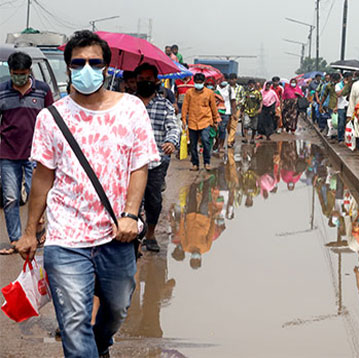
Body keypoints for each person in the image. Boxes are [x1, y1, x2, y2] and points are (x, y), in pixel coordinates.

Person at [15, 30, 159, 357]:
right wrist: (29, 232)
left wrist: (131, 215)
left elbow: (140, 166)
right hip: (66, 237)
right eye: (78, 63)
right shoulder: (51, 118)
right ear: (68, 68)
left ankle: (101, 343)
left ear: (107, 67)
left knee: (119, 307)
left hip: (116, 234)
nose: (87, 69)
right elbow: (42, 177)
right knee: (74, 320)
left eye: (94, 62)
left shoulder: (131, 109)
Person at [0, 51, 54, 255]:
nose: (19, 77)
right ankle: (15, 240)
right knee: (11, 198)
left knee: (37, 194)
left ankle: (39, 231)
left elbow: (52, 119)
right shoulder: (2, 91)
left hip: (36, 154)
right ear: (10, 72)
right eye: (15, 73)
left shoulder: (42, 90)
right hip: (8, 153)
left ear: (29, 71)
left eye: (22, 73)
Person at [134, 63, 181, 253]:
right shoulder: (127, 103)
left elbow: (173, 126)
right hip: (130, 165)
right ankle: (135, 239)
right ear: (136, 81)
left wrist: (171, 142)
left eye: (148, 79)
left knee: (154, 203)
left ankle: (150, 234)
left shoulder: (164, 105)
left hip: (154, 163)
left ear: (155, 81)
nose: (145, 82)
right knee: (133, 204)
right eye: (141, 79)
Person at [182, 73, 220, 171]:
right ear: (194, 82)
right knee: (193, 144)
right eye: (196, 82)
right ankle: (195, 163)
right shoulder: (189, 93)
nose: (198, 84)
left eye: (200, 83)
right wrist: (183, 119)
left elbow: (213, 107)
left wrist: (216, 120)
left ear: (203, 83)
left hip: (205, 121)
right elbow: (185, 106)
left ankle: (207, 162)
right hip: (192, 121)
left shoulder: (209, 93)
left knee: (205, 140)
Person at [226, 73, 243, 147]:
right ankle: (232, 138)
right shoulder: (227, 88)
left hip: (236, 108)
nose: (232, 81)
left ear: (236, 79)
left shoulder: (240, 88)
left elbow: (243, 98)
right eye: (230, 79)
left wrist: (238, 103)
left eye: (233, 79)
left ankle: (229, 141)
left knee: (233, 125)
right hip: (227, 108)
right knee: (228, 125)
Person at [216, 77, 233, 153]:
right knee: (216, 129)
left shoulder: (229, 88)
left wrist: (233, 112)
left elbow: (233, 100)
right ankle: (217, 142)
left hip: (226, 112)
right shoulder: (215, 87)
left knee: (222, 129)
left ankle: (221, 146)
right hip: (216, 111)